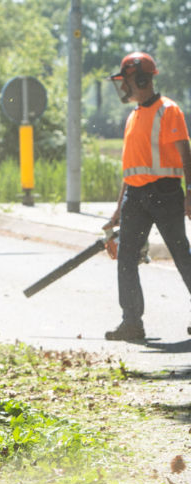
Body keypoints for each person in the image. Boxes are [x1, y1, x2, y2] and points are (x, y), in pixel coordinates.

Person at [104, 51, 191, 341]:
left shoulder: (169, 110)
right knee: (126, 258)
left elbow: (185, 154)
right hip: (135, 196)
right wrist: (118, 209)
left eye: (126, 80)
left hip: (165, 193)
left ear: (141, 78)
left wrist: (189, 191)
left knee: (182, 255)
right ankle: (132, 323)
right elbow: (129, 169)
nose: (123, 87)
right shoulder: (133, 116)